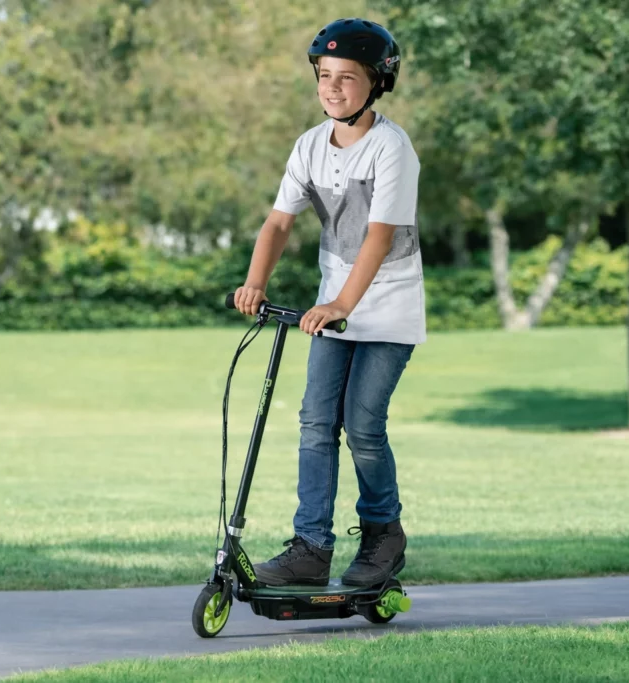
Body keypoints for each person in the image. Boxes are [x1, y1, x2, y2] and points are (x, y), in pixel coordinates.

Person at [233, 18, 425, 588]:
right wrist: (255, 283)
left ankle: (382, 536)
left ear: (377, 83)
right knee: (316, 423)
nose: (332, 88)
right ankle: (311, 547)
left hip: (386, 309)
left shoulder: (392, 148)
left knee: (362, 426)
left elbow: (379, 237)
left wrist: (343, 302)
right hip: (333, 308)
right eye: (323, 76)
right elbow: (278, 222)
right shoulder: (309, 146)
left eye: (346, 78)